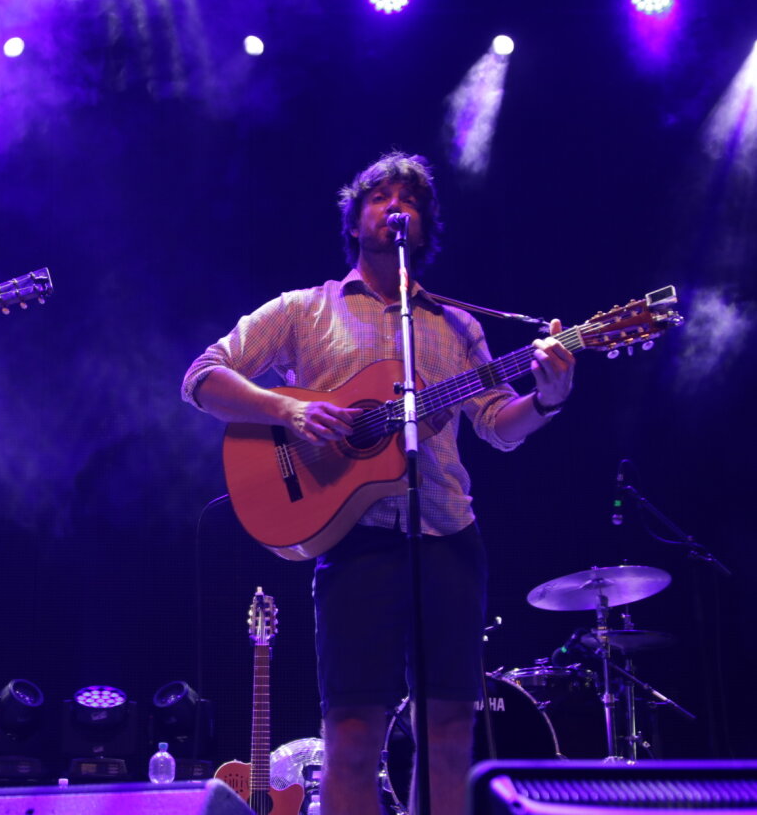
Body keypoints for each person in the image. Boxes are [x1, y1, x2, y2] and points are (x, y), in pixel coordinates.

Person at [180, 152, 574, 815]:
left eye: (411, 199)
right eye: (381, 196)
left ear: (424, 226)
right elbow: (202, 376)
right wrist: (292, 410)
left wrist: (547, 398)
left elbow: (498, 426)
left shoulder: (457, 326)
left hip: (449, 535)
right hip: (354, 543)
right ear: (355, 218)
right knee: (353, 736)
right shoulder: (306, 311)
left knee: (448, 733)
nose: (397, 207)